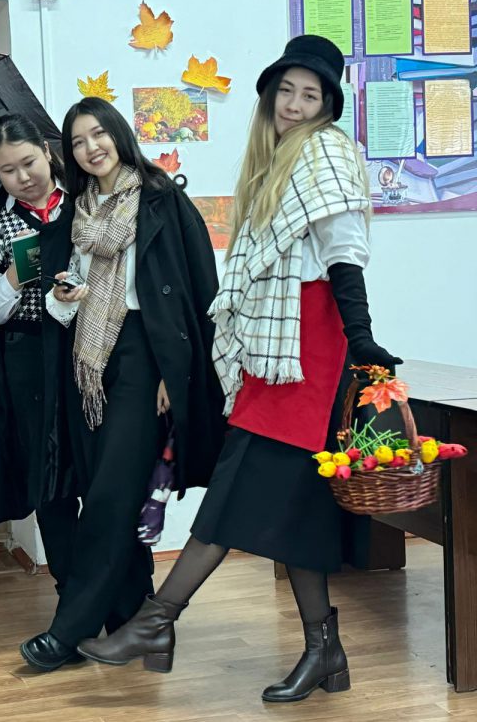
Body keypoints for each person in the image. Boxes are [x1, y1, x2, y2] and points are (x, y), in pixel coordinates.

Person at [75, 35, 403, 702]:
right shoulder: (275, 162)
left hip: (310, 352)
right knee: (295, 510)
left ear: (326, 106)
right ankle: (325, 651)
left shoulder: (324, 153)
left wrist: (362, 337)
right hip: (278, 353)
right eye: (287, 91)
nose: (294, 104)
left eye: (310, 95)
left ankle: (156, 622)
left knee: (232, 493)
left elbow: (344, 254)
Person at [19, 96, 224, 671]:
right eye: (77, 142)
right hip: (89, 362)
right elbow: (63, 306)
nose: (90, 148)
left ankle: (69, 631)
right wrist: (65, 298)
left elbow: (201, 292)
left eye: (98, 134)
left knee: (110, 496)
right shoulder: (76, 214)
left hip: (146, 359)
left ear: (118, 133)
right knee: (112, 492)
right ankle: (134, 621)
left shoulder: (161, 200)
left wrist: (174, 373)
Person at [0, 114, 80, 594]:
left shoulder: (84, 203)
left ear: (48, 152)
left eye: (29, 162)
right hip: (27, 357)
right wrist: (19, 273)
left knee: (103, 471)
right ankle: (70, 590)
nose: (23, 177)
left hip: (86, 351)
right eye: (8, 170)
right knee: (48, 478)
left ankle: (120, 588)